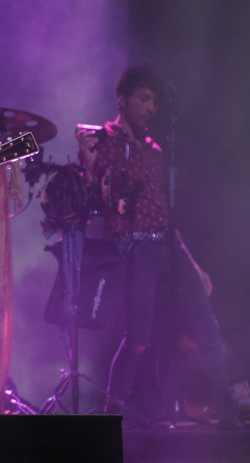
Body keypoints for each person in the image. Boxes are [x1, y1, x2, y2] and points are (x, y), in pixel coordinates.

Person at [76, 64, 244, 430]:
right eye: (143, 98)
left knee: (209, 329)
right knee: (138, 339)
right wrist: (86, 164)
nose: (150, 108)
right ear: (123, 99)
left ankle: (228, 416)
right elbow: (91, 201)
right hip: (133, 248)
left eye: (154, 101)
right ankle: (110, 417)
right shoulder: (101, 140)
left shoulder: (153, 148)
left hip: (169, 245)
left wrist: (192, 262)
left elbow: (164, 211)